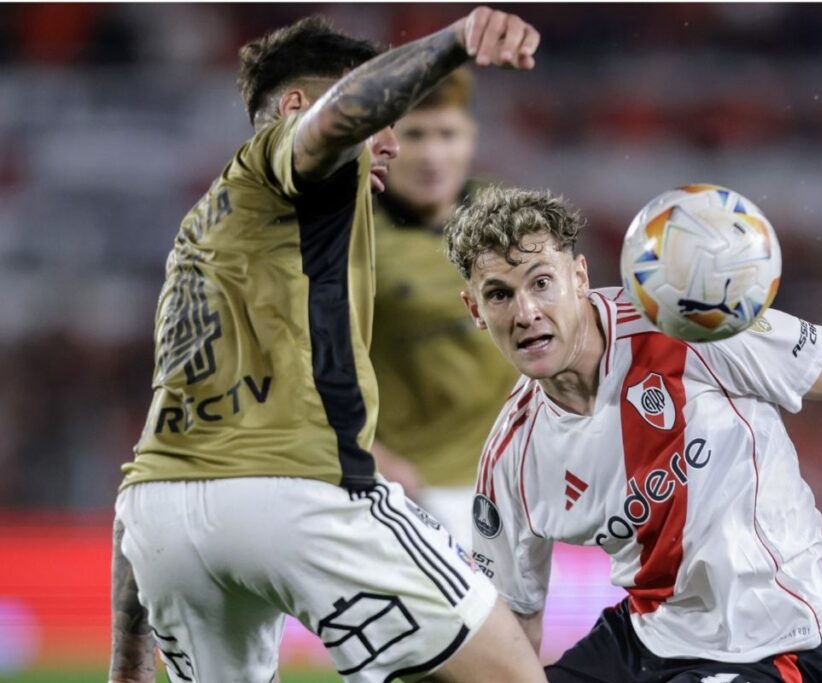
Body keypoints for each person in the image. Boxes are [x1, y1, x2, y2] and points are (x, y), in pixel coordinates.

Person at [109, 9, 548, 683]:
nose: (392, 145)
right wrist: (457, 41)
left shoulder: (201, 233)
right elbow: (333, 120)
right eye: (384, 119)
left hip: (161, 521)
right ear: (293, 108)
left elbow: (150, 460)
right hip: (299, 494)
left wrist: (127, 664)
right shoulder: (283, 158)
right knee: (512, 671)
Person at [442, 186, 822, 682]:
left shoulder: (687, 325)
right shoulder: (511, 456)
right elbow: (517, 622)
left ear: (579, 278)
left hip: (768, 640)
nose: (526, 312)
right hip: (644, 639)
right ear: (475, 312)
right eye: (500, 295)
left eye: (541, 283)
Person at [370, 66, 519, 546]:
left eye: (447, 134)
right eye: (415, 134)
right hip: (410, 487)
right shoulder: (350, 236)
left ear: (470, 138)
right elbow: (296, 358)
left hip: (511, 478)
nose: (433, 154)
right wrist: (362, 452)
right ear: (383, 143)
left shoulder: (512, 216)